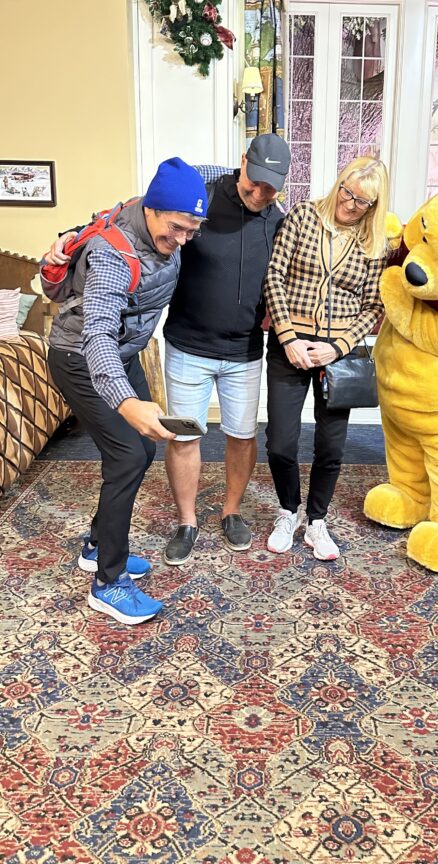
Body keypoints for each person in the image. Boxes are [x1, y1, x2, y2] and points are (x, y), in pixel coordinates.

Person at [43, 157, 208, 625]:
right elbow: (96, 334)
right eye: (176, 228)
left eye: (192, 230)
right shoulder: (116, 257)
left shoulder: (164, 208)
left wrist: (248, 174)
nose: (182, 240)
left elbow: (204, 177)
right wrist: (126, 401)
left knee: (142, 447)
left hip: (125, 353)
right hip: (81, 360)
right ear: (152, 209)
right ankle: (107, 582)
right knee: (128, 455)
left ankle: (97, 547)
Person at [163, 133, 290, 565]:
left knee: (242, 436)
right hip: (187, 346)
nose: (258, 194)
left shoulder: (280, 220)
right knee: (184, 436)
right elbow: (153, 216)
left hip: (245, 352)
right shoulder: (202, 196)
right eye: (253, 182)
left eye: (270, 188)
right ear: (243, 163)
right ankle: (187, 520)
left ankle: (231, 511)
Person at [263, 156, 390, 561]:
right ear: (339, 183)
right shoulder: (302, 217)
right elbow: (274, 278)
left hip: (338, 357)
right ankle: (288, 511)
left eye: (361, 202)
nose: (349, 204)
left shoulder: (375, 245)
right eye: (347, 192)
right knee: (281, 442)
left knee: (331, 446)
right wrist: (288, 338)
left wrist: (337, 347)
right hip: (291, 345)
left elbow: (373, 307)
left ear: (374, 206)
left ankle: (316, 521)